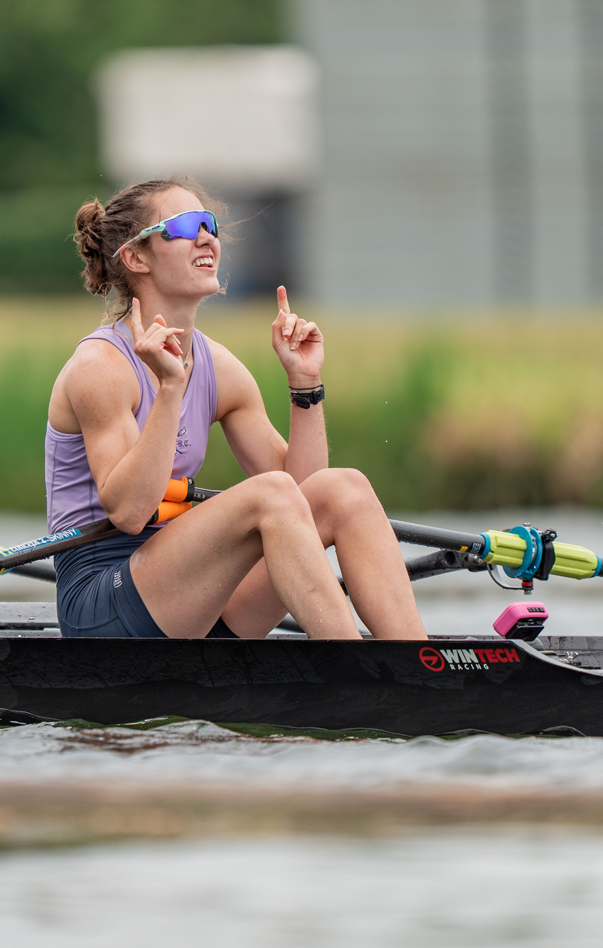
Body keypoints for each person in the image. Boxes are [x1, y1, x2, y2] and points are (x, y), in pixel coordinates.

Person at [46, 178, 428, 641]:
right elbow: (129, 513)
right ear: (136, 257)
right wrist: (170, 389)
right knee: (267, 495)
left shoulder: (219, 366)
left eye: (210, 224)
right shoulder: (100, 367)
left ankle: (417, 665)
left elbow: (302, 494)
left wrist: (304, 385)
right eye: (185, 226)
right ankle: (356, 672)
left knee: (343, 488)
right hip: (103, 604)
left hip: (191, 594)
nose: (208, 237)